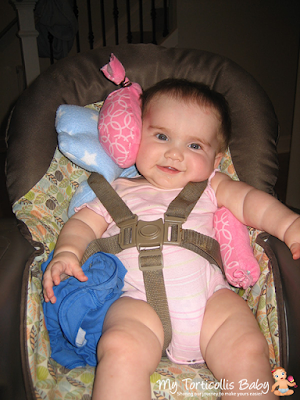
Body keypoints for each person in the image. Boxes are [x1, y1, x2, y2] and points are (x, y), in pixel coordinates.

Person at [43, 79, 300, 400]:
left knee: (248, 349)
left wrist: (291, 225)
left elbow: (252, 204)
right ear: (137, 138)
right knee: (120, 347)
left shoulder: (211, 185)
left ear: (216, 160)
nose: (174, 153)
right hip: (138, 304)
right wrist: (67, 251)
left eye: (194, 146)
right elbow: (82, 224)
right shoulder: (115, 191)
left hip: (211, 301)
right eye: (161, 136)